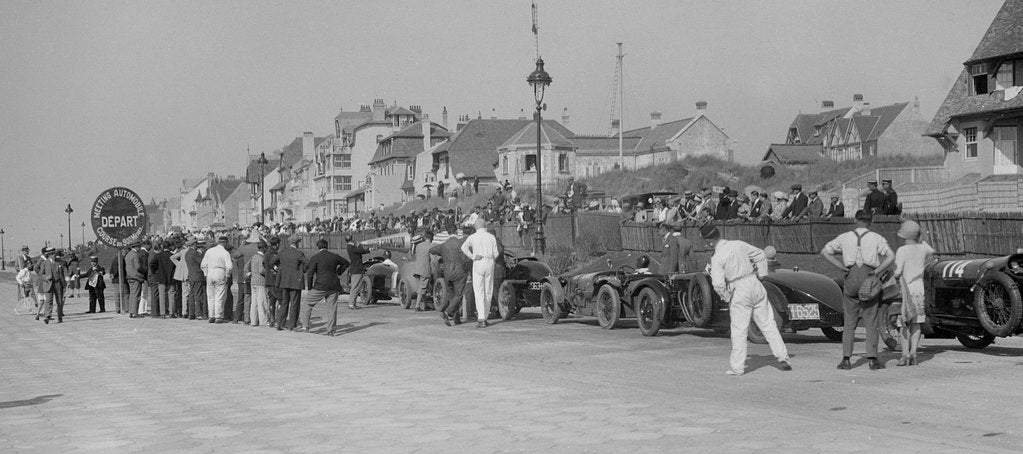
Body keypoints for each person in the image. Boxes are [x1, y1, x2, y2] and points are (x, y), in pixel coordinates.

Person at [701, 225, 791, 375]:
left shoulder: (717, 257)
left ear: (710, 241)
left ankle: (737, 367)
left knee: (739, 330)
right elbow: (760, 254)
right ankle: (783, 356)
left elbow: (717, 284)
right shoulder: (738, 244)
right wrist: (762, 274)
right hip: (754, 283)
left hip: (738, 287)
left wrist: (726, 296)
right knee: (768, 323)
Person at [821, 210, 895, 371]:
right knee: (871, 321)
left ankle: (846, 359)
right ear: (871, 221)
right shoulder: (877, 238)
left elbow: (825, 251)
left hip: (851, 277)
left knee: (849, 321)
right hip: (869, 276)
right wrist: (877, 271)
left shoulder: (845, 237)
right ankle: (872, 360)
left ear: (855, 220)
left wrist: (840, 266)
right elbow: (891, 256)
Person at [893, 220, 934, 366]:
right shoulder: (922, 249)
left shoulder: (902, 251)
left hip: (905, 290)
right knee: (916, 323)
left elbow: (898, 271)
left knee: (903, 323)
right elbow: (931, 250)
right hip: (919, 289)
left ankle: (904, 354)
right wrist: (921, 238)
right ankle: (914, 353)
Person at [302, 238, 350, 336]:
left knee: (307, 304)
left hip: (320, 286)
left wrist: (310, 288)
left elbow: (310, 274)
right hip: (333, 285)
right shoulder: (334, 256)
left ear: (318, 247)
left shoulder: (315, 257)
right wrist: (339, 272)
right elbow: (346, 263)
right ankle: (330, 330)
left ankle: (306, 326)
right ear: (327, 246)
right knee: (332, 308)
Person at [461, 218, 499, 328]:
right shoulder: (491, 237)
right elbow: (496, 253)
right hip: (490, 261)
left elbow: (464, 247)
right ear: (485, 226)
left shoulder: (472, 237)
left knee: (479, 290)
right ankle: (485, 317)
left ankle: (481, 317)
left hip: (478, 261)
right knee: (488, 290)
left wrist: (472, 256)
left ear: (476, 227)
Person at [431, 227, 469, 326]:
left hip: (448, 272)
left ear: (448, 233)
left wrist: (441, 255)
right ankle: (448, 312)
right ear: (457, 232)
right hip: (459, 271)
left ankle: (456, 319)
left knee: (452, 295)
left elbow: (432, 250)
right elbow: (466, 258)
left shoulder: (444, 245)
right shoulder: (461, 243)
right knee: (459, 295)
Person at [272, 235, 307, 330]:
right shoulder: (299, 253)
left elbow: (272, 261)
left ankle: (280, 323)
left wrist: (279, 268)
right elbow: (306, 263)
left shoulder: (282, 252)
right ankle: (292, 324)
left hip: (284, 280)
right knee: (294, 303)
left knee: (284, 303)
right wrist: (302, 270)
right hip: (295, 281)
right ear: (297, 243)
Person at [200, 236, 233, 323]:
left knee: (210, 296)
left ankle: (211, 315)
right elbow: (229, 267)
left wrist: (206, 274)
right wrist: (227, 275)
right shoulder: (225, 253)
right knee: (219, 295)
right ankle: (218, 316)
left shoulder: (209, 251)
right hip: (220, 272)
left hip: (210, 272)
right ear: (225, 243)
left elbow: (203, 264)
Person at [34, 247, 65, 324]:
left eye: (54, 254)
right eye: (52, 254)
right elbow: (41, 273)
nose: (54, 255)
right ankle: (47, 316)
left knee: (59, 301)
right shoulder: (45, 263)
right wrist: (45, 277)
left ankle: (60, 317)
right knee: (48, 301)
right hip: (48, 284)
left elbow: (63, 273)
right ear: (49, 255)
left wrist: (64, 283)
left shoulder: (59, 262)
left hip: (58, 284)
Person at [247, 240, 271, 327]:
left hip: (253, 281)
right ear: (264, 248)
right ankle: (263, 321)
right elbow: (261, 270)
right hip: (260, 281)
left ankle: (253, 320)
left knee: (254, 302)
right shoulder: (261, 258)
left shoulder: (254, 257)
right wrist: (268, 272)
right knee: (262, 302)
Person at [345, 234, 372, 310]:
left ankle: (353, 303)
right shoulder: (351, 247)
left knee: (356, 287)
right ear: (352, 239)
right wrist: (366, 249)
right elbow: (360, 251)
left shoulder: (350, 247)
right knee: (355, 287)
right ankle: (351, 303)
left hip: (356, 268)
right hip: (356, 269)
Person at [406, 234, 432, 311]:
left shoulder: (418, 246)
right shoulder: (430, 246)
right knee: (422, 288)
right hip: (425, 269)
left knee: (421, 287)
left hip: (417, 269)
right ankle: (417, 305)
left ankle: (426, 304)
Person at [151, 241, 177, 318]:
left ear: (162, 247)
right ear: (169, 247)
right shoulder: (173, 256)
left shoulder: (158, 255)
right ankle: (172, 312)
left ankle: (163, 313)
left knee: (162, 295)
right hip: (171, 278)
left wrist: (155, 272)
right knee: (171, 295)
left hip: (161, 278)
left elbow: (152, 264)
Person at [186, 239, 207, 320]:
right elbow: (201, 261)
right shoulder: (194, 253)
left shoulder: (187, 253)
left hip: (191, 275)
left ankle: (191, 313)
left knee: (192, 295)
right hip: (197, 276)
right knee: (198, 295)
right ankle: (199, 313)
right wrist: (201, 254)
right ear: (193, 244)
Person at [125, 241, 144, 318]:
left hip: (129, 276)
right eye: (139, 246)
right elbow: (138, 267)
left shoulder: (128, 254)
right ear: (136, 246)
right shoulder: (135, 255)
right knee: (137, 295)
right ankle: (135, 312)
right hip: (136, 276)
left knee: (132, 294)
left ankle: (131, 311)